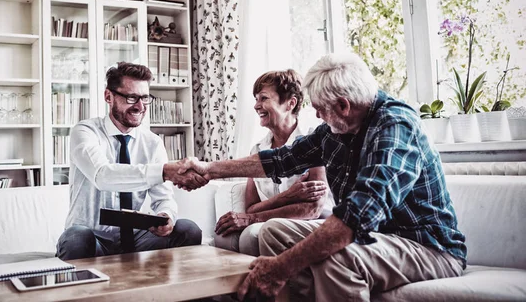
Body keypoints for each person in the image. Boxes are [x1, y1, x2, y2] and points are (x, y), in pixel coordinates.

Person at [170, 53, 466, 301]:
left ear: (343, 106)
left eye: (320, 109)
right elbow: (281, 159)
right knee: (274, 233)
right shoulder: (338, 130)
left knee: (337, 257)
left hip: (427, 247)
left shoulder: (395, 126)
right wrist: (210, 170)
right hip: (377, 240)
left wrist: (281, 267)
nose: (318, 116)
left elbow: (357, 217)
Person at [56, 62, 206, 260]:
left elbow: (163, 198)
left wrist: (165, 215)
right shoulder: (85, 132)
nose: (140, 106)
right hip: (92, 236)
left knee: (188, 229)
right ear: (108, 97)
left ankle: (159, 289)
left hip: (137, 238)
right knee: (76, 237)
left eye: (144, 98)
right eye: (131, 97)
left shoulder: (152, 142)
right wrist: (164, 171)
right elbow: (103, 176)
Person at [215, 69, 334, 256]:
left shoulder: (313, 142)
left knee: (252, 234)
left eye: (263, 98)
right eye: (256, 99)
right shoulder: (257, 151)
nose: (256, 105)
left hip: (312, 220)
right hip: (271, 220)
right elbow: (251, 207)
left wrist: (253, 218)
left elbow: (313, 209)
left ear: (290, 103)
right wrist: (288, 196)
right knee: (223, 236)